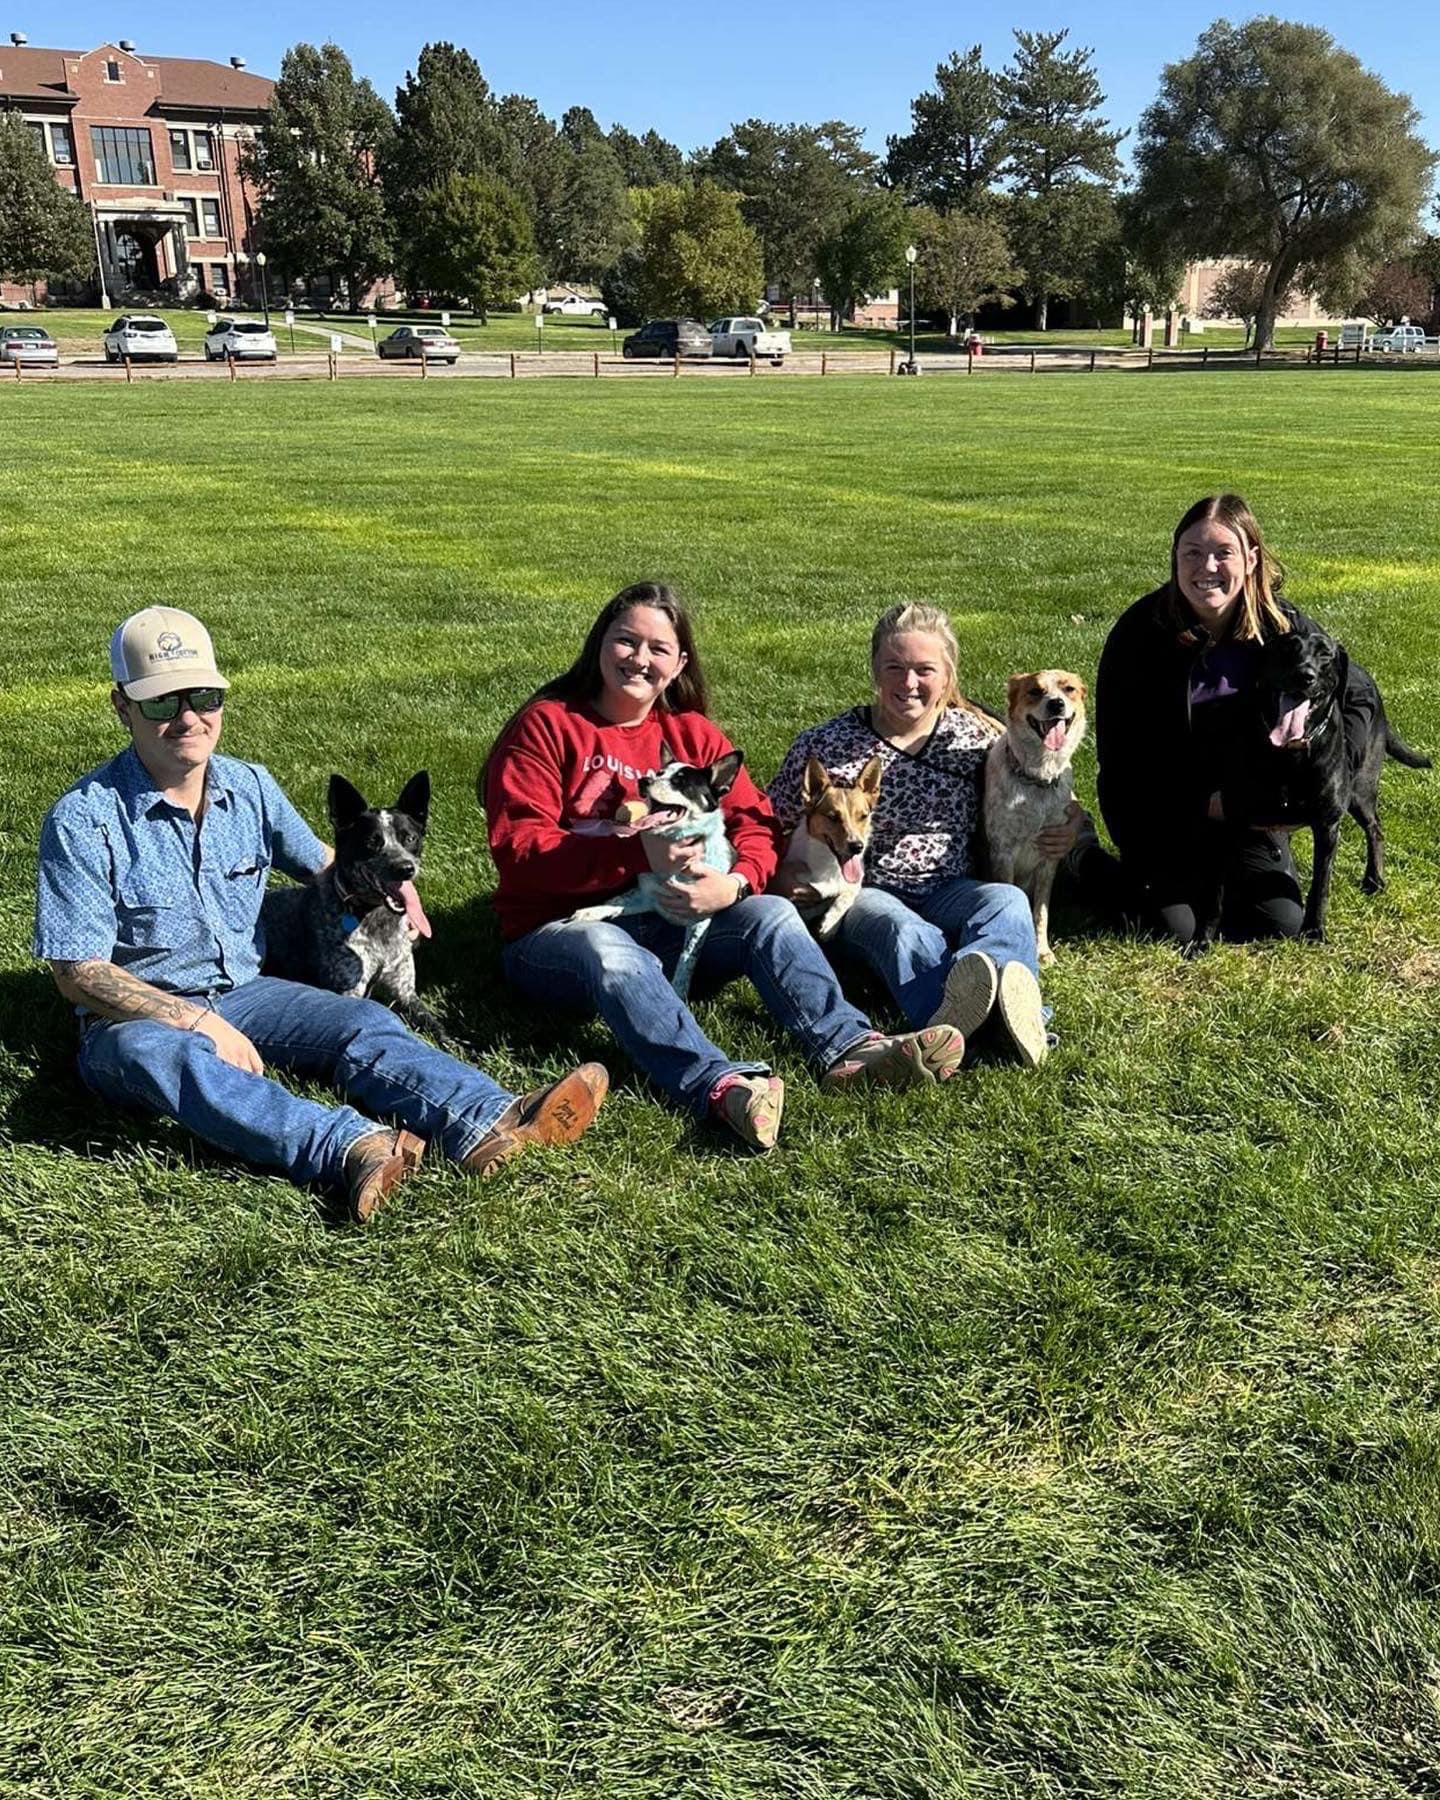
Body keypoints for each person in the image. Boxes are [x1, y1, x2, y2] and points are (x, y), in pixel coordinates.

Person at [34, 607, 607, 1224]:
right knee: (163, 1058)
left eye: (204, 696)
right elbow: (80, 973)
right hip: (131, 1019)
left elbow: (326, 866)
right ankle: (351, 1148)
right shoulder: (84, 819)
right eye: (162, 703)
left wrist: (392, 895)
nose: (189, 718)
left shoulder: (249, 787)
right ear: (122, 706)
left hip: (248, 991)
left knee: (360, 1019)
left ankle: (491, 1120)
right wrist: (197, 1023)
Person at [481, 582, 967, 1153]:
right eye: (626, 641)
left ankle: (852, 1048)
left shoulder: (691, 734)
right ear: (599, 646)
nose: (640, 659)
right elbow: (517, 847)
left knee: (768, 912)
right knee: (610, 950)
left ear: (679, 662)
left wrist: (734, 883)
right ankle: (721, 1086)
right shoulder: (548, 726)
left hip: (683, 922)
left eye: (658, 649)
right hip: (559, 933)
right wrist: (636, 853)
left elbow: (757, 824)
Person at [769, 603, 1068, 1069]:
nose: (908, 683)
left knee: (1006, 902)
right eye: (895, 668)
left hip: (951, 887)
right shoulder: (826, 744)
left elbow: (1047, 782)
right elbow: (764, 821)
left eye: (924, 670)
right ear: (875, 670)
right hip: (867, 890)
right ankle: (988, 1026)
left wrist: (1071, 826)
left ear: (947, 676)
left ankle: (1004, 1014)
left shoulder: (977, 738)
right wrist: (779, 871)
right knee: (904, 930)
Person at [1077, 492, 1377, 943]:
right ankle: (1086, 860)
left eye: (1224, 553)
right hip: (1162, 813)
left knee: (1277, 924)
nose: (1207, 568)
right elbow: (1121, 760)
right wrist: (1202, 802)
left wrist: (1336, 773)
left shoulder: (1284, 627)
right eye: (1192, 553)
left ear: (1251, 558)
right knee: (1171, 928)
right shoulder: (1139, 635)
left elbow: (1359, 695)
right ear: (1175, 557)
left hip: (1251, 813)